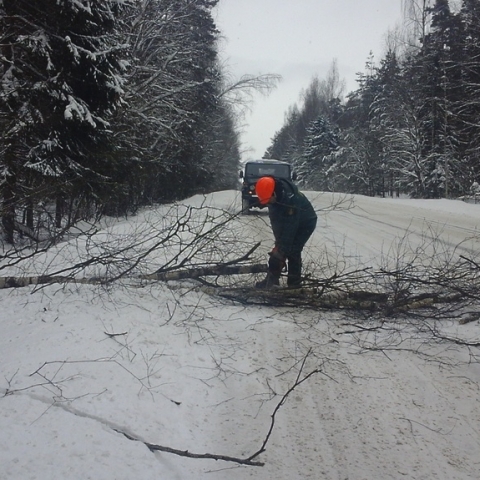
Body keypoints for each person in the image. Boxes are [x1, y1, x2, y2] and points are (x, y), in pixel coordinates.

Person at [254, 176, 317, 288]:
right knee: (280, 249)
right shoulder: (273, 197)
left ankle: (294, 283)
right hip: (291, 220)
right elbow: (276, 222)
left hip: (305, 223)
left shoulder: (290, 200)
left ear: (274, 193)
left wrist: (282, 251)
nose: (268, 203)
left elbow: (290, 228)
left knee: (293, 250)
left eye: (269, 200)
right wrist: (278, 246)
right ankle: (273, 280)